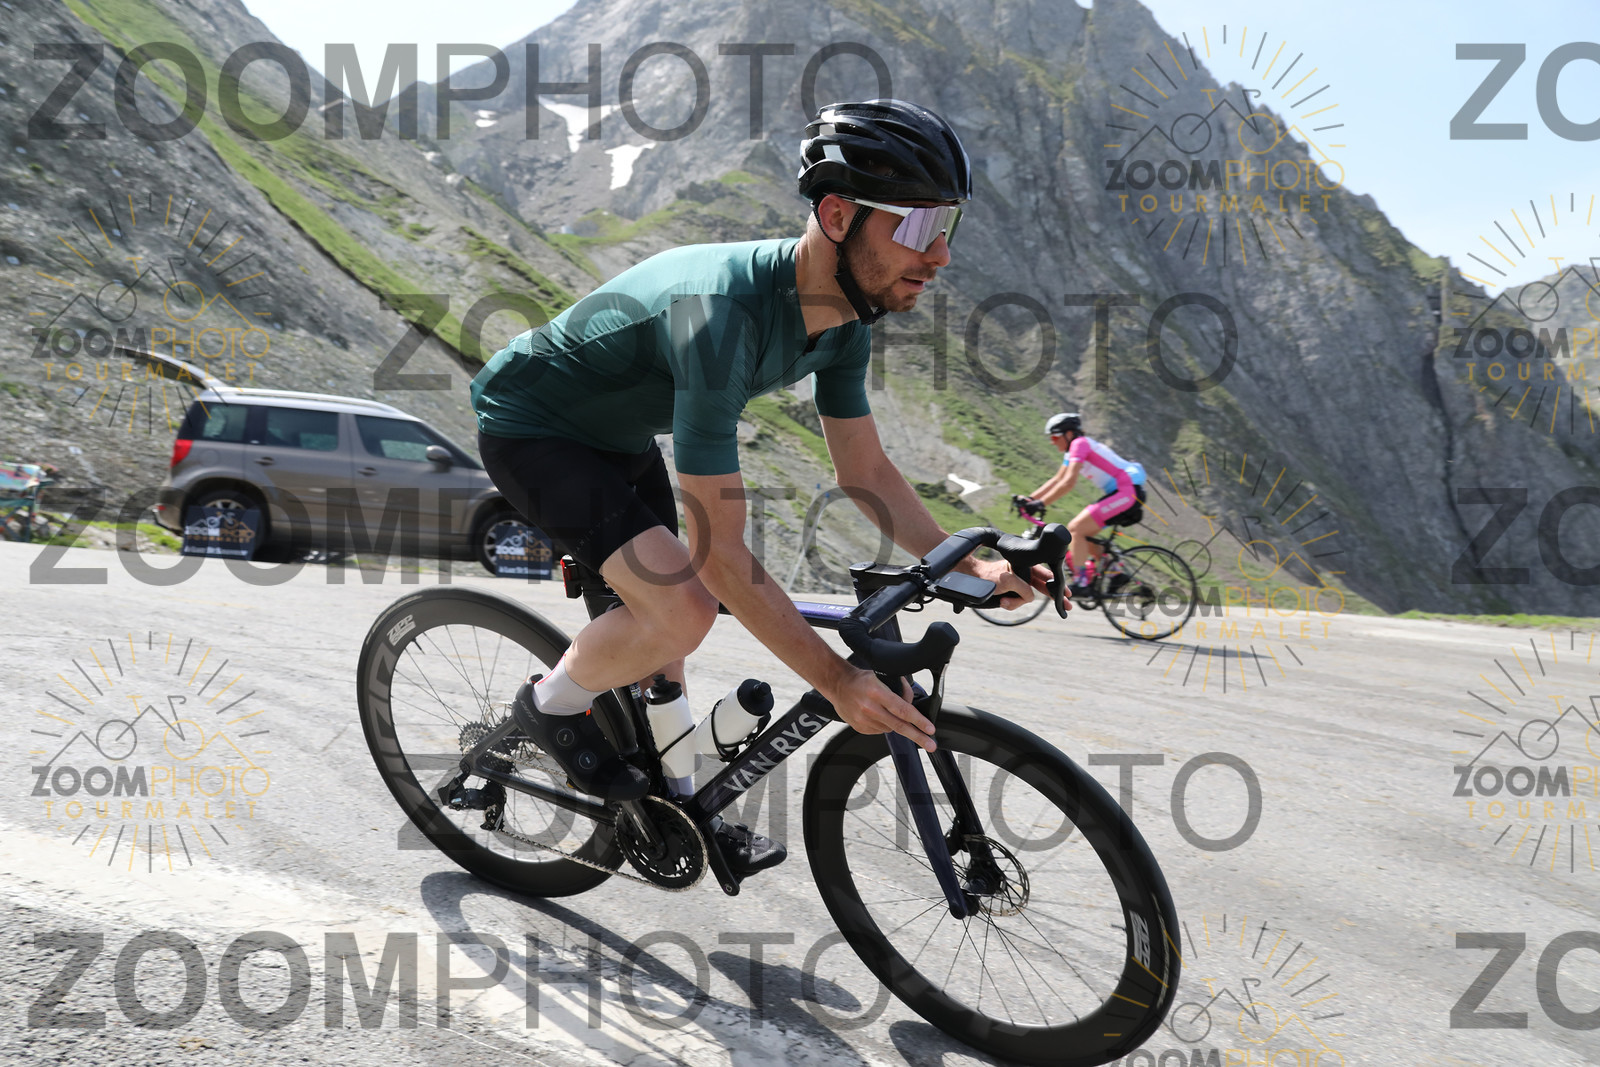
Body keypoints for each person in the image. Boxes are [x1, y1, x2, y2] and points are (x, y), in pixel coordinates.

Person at [468, 99, 1041, 878]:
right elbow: (722, 558)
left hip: (621, 440)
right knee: (683, 607)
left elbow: (865, 471)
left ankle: (677, 807)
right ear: (837, 215)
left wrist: (964, 560)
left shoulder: (845, 319)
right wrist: (836, 679)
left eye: (949, 225)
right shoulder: (720, 316)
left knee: (662, 652)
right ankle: (548, 706)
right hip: (532, 427)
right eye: (917, 225)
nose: (940, 254)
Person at [1021, 413, 1146, 593]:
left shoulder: (1079, 444)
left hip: (1127, 491)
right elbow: (1058, 479)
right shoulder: (1073, 450)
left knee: (1076, 528)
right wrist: (1031, 499)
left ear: (1069, 434)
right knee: (1084, 534)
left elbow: (1068, 483)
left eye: (1054, 437)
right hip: (1122, 492)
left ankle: (1082, 583)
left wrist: (1041, 503)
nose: (1052, 442)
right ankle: (1116, 575)